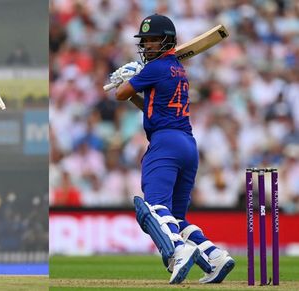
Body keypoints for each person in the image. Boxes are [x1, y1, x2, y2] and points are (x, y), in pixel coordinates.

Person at [111, 14, 235, 284]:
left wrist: (127, 82)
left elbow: (118, 95)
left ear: (166, 40)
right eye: (144, 41)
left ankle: (179, 251)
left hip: (165, 143)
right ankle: (214, 257)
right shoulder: (177, 69)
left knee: (154, 207)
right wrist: (135, 88)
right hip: (187, 144)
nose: (146, 46)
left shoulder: (155, 69)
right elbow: (151, 109)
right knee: (176, 217)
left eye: (152, 40)